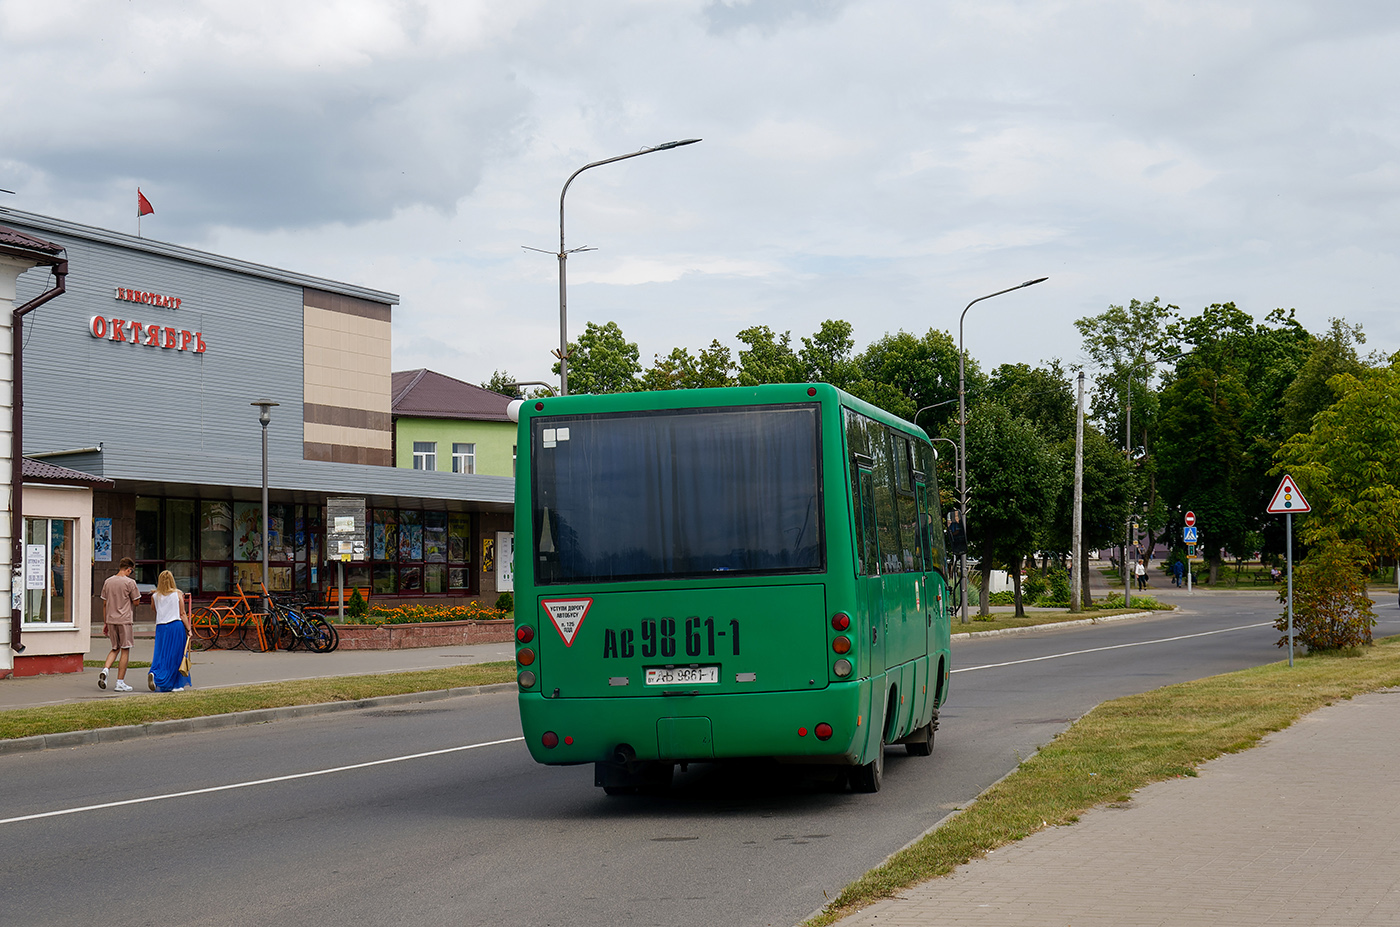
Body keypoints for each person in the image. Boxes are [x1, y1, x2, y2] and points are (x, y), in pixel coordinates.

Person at [99, 557, 142, 691]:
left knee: (114, 648)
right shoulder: (130, 582)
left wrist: (105, 622)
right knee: (125, 649)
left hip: (110, 619)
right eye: (131, 570)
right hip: (124, 619)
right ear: (128, 569)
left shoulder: (108, 581)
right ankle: (120, 682)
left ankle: (105, 670)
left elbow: (104, 603)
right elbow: (136, 602)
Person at [148, 570, 191, 692]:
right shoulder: (177, 594)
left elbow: (155, 610)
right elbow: (182, 613)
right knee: (176, 654)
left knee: (161, 653)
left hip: (161, 627)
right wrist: (188, 629)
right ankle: (176, 684)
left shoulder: (155, 596)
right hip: (175, 626)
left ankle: (155, 674)